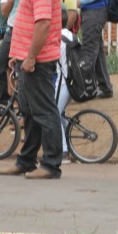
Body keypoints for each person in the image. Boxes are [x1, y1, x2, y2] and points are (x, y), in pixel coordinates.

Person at [0, 0, 63, 179]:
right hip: (28, 59)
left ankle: (51, 165)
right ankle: (27, 161)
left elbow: (43, 24)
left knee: (44, 111)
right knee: (30, 112)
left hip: (38, 61)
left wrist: (31, 57)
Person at [55, 10, 74, 164]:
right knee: (59, 113)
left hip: (63, 83)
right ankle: (68, 141)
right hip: (74, 83)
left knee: (54, 113)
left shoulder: (55, 39)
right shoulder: (71, 35)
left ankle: (64, 151)